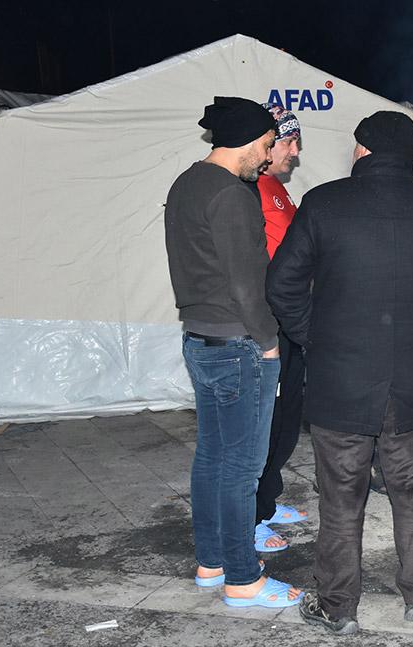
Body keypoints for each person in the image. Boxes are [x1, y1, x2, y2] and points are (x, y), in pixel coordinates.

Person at [265, 111, 413, 635]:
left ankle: (338, 606)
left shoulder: (323, 203)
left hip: (340, 380)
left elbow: (280, 286)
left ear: (362, 150)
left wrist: (315, 336)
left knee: (340, 497)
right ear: (409, 155)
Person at [163, 96, 300, 609]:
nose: (268, 157)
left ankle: (212, 563)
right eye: (267, 145)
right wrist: (269, 344)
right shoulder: (232, 194)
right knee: (242, 467)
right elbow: (249, 285)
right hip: (240, 345)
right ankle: (244, 578)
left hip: (199, 340)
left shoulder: (186, 183)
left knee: (213, 458)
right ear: (246, 140)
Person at [251, 103, 307, 554]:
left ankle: (266, 501)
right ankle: (250, 517)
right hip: (267, 323)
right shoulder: (253, 190)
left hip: (290, 320)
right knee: (263, 423)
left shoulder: (277, 189)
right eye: (288, 141)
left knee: (288, 417)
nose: (295, 151)